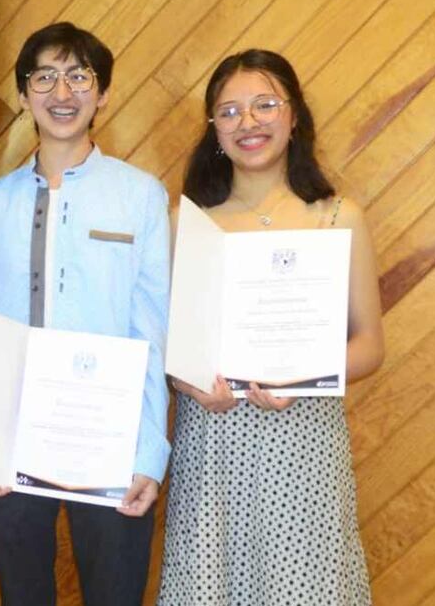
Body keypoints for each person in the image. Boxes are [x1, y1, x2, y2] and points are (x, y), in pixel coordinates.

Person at [158, 49, 385, 605]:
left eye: (264, 105)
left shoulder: (336, 216)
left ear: (295, 116)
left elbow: (370, 347)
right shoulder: (186, 223)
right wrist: (186, 382)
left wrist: (299, 377)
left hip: (305, 441)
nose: (248, 122)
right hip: (214, 442)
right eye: (229, 111)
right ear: (213, 128)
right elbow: (168, 347)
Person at [0, 22, 171, 605]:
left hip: (111, 438)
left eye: (79, 76)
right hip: (9, 439)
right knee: (22, 595)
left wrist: (148, 452)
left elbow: (152, 327)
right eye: (46, 77)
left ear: (102, 92)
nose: (63, 92)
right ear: (24, 93)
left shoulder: (140, 195)